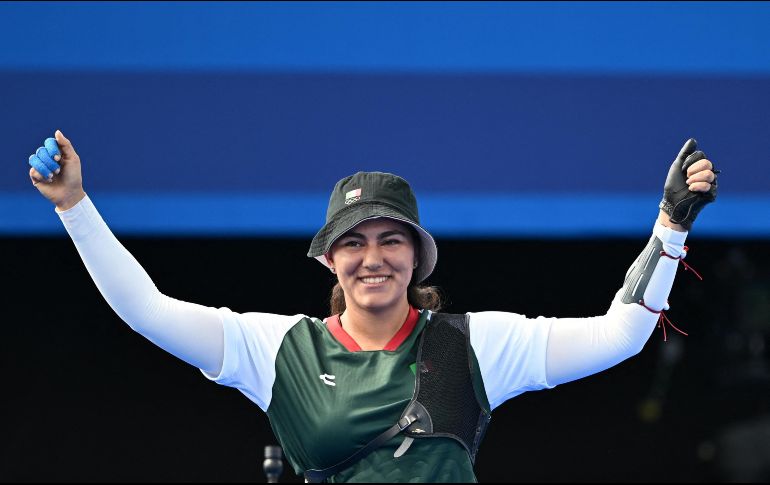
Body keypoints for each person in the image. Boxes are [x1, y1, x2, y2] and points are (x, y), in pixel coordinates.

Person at [27, 130, 718, 482]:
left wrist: (669, 225)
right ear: (330, 260)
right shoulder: (277, 350)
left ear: (418, 256)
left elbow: (623, 332)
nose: (373, 257)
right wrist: (75, 207)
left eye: (392, 239)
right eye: (353, 243)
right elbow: (145, 308)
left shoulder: (474, 345)